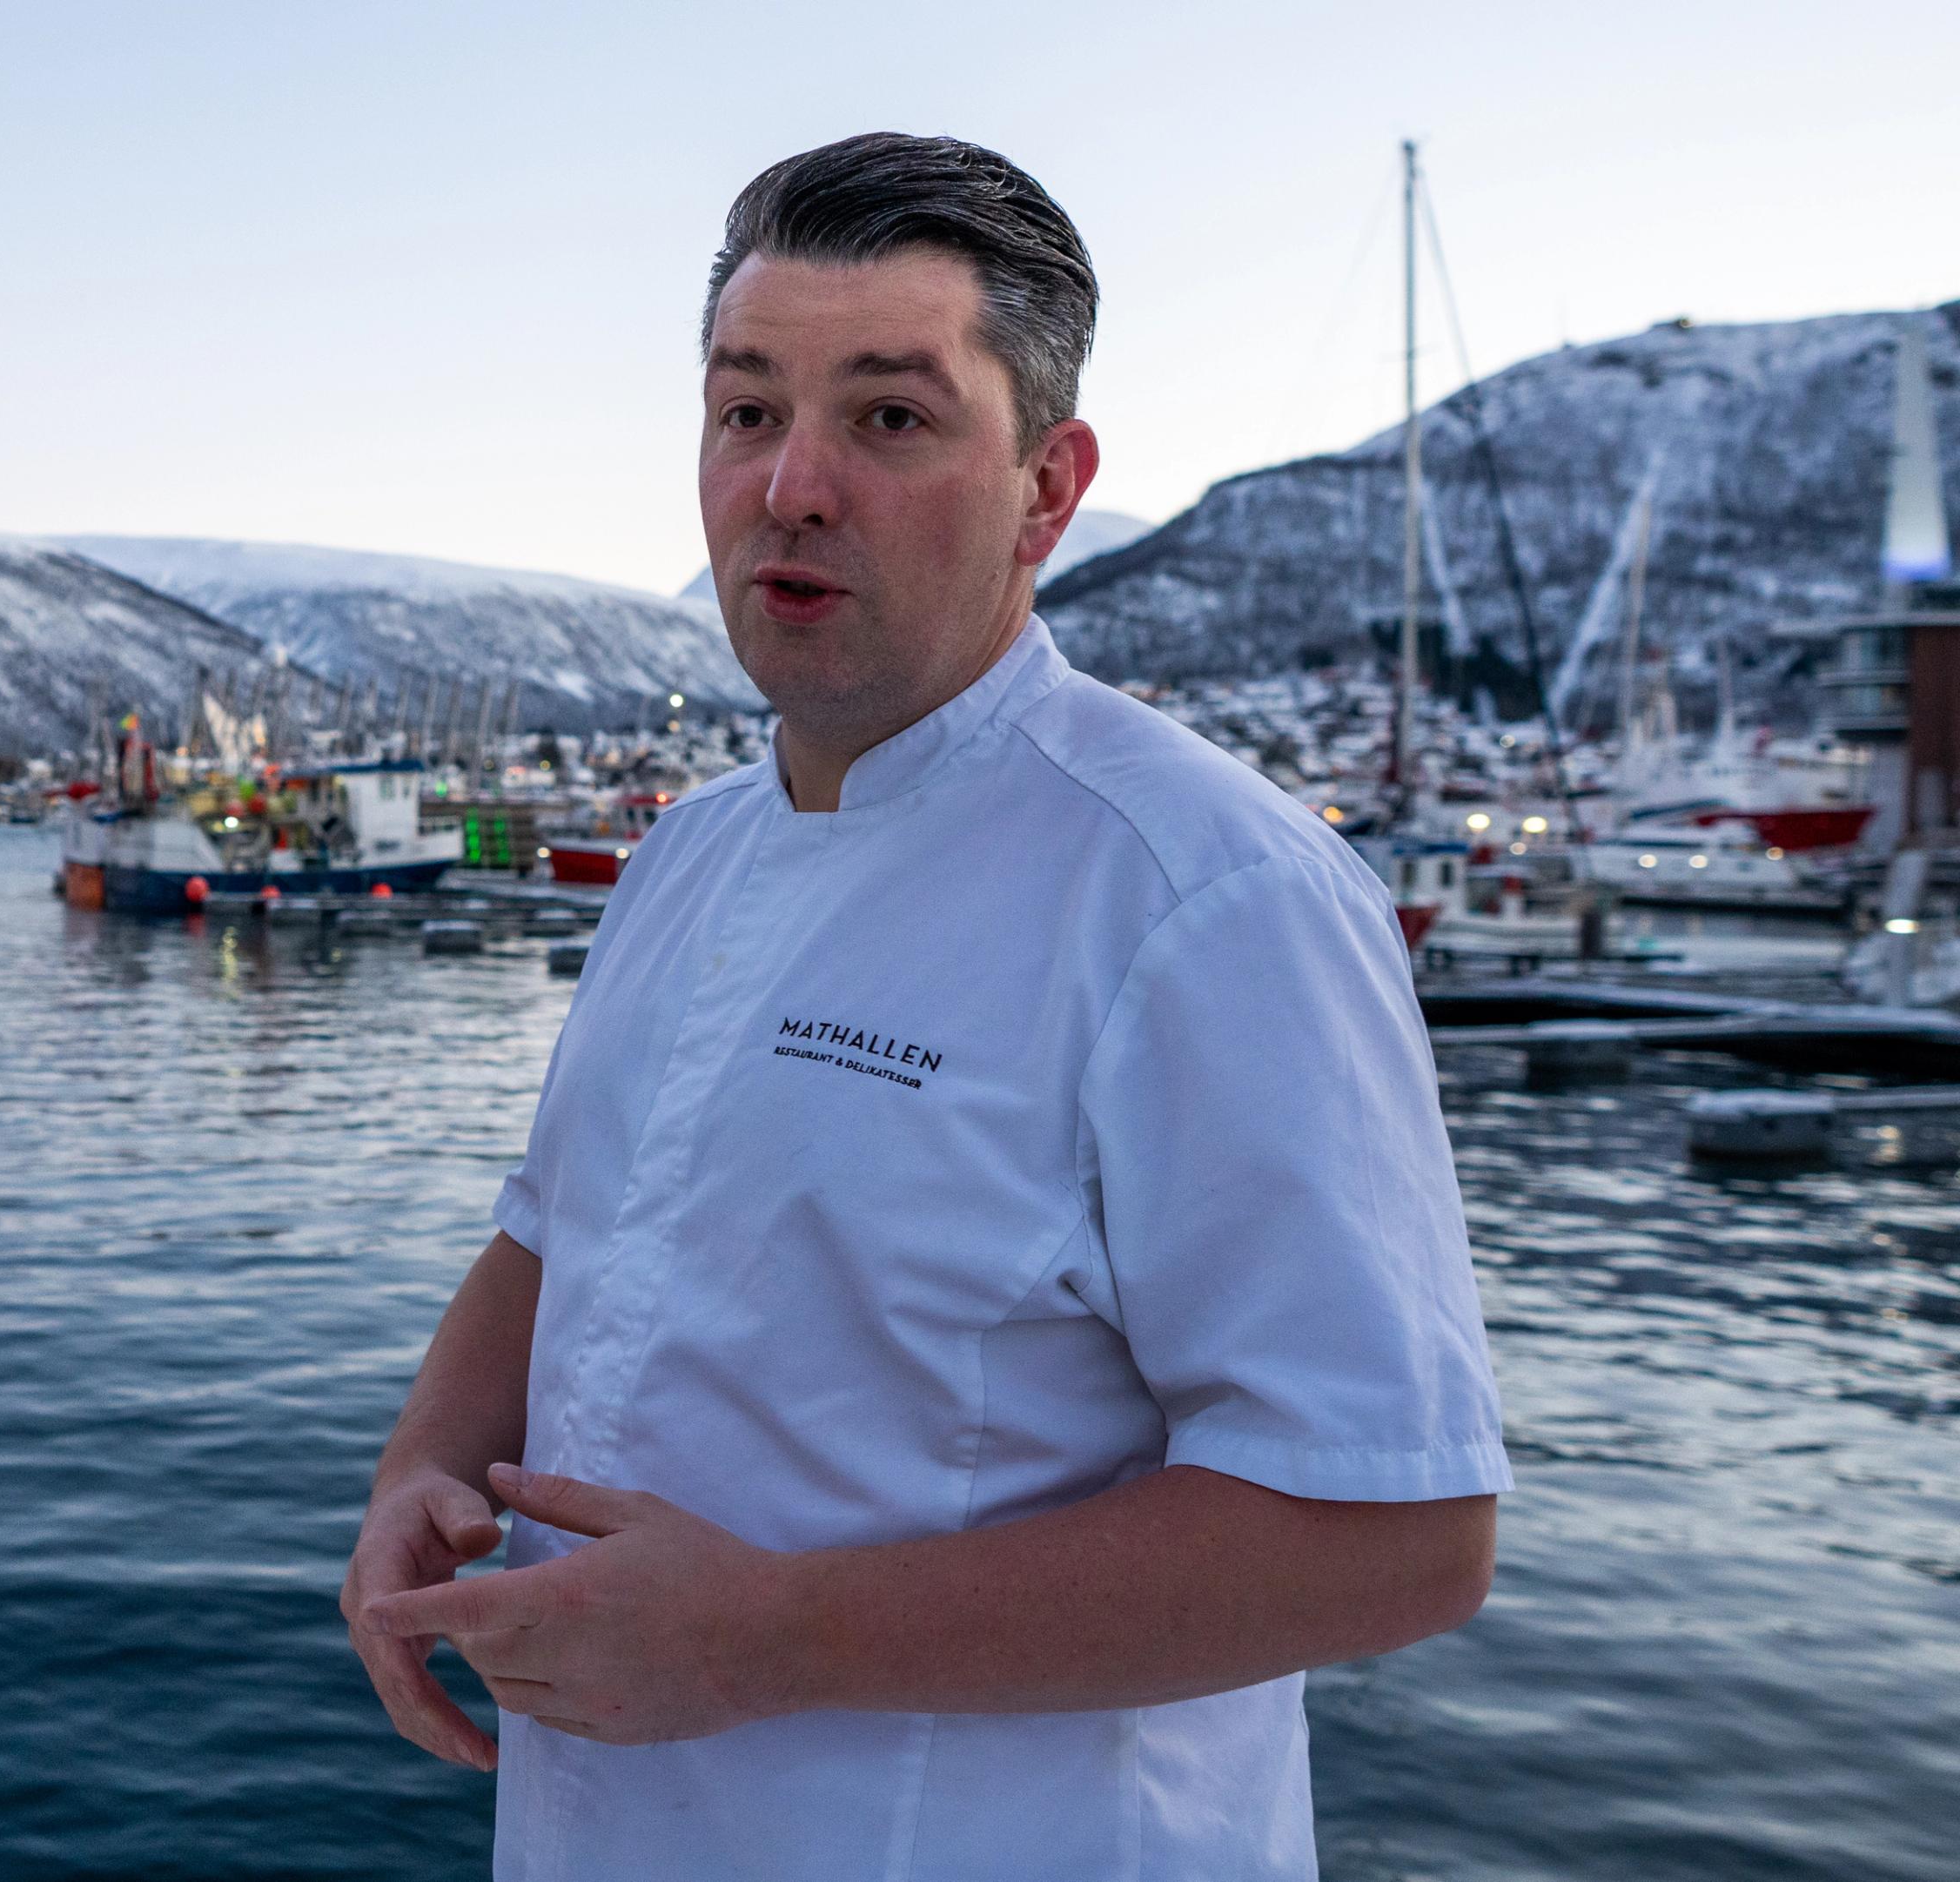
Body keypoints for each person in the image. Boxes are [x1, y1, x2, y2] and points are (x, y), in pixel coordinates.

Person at [339, 132, 1507, 1880]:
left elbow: (1395, 1529)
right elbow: (549, 1234)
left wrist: (770, 1634)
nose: (791, 485)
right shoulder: (687, 858)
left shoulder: (1204, 895)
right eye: (747, 412)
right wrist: (417, 1475)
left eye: (889, 418)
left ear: (1047, 488)